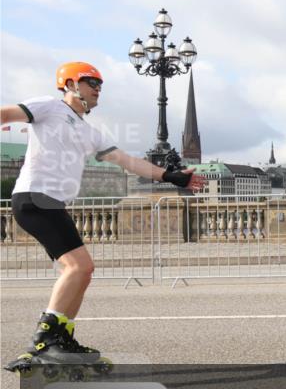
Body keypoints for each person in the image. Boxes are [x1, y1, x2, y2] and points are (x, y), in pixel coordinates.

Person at [1, 61, 205, 372]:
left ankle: (62, 337)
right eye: (91, 82)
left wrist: (171, 176)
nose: (97, 89)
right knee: (78, 267)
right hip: (34, 198)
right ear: (70, 84)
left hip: (53, 204)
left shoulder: (90, 132)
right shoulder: (49, 107)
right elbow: (6, 114)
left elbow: (128, 161)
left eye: (100, 85)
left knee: (82, 271)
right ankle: (44, 341)